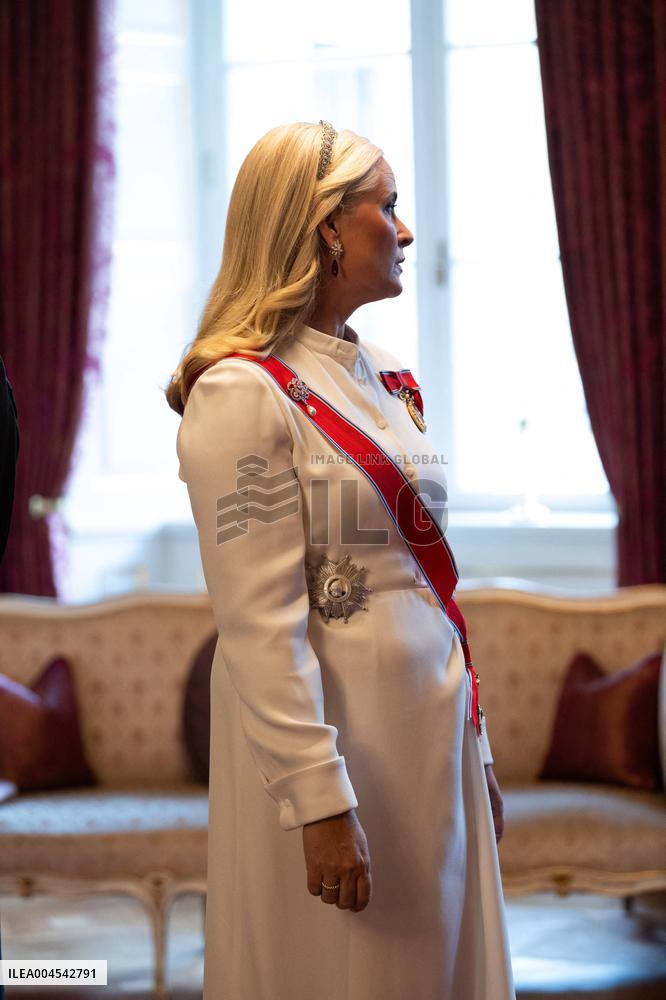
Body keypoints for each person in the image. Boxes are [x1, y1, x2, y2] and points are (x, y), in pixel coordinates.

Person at [167, 121, 515, 1000]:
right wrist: (318, 798)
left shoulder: (388, 376)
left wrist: (474, 750)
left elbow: (428, 587)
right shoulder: (241, 393)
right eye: (387, 207)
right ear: (326, 225)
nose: (404, 231)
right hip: (339, 745)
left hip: (428, 730)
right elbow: (257, 629)